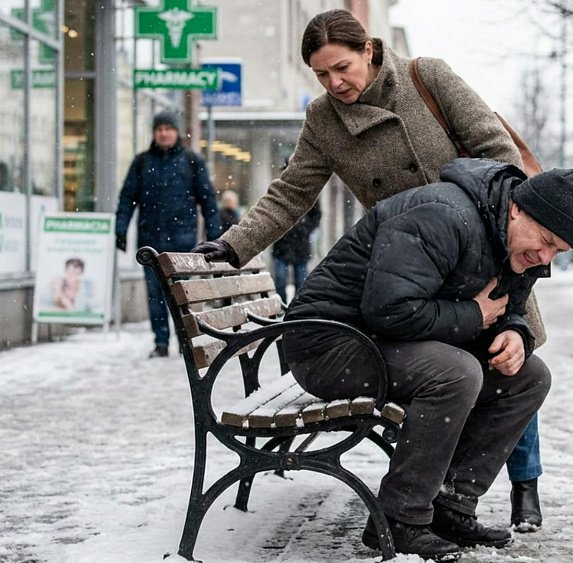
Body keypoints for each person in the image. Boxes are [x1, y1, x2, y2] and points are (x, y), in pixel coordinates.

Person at [192, 9, 547, 529]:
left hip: (480, 252)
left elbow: (498, 152)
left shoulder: (429, 78)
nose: (336, 83)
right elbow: (291, 193)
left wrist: (503, 229)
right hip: (405, 269)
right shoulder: (324, 119)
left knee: (512, 358)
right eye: (322, 75)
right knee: (460, 371)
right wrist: (233, 245)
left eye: (343, 67)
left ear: (370, 50)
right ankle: (432, 503)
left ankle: (520, 486)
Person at [282, 158, 573, 559]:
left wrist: (515, 332)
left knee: (529, 376)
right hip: (328, 345)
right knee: (456, 373)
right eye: (546, 240)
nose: (546, 257)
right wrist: (474, 316)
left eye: (558, 250)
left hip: (380, 341)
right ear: (517, 208)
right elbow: (388, 309)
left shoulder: (515, 243)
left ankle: (451, 505)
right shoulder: (444, 216)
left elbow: (505, 306)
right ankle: (398, 521)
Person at [116, 111, 222, 358]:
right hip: (150, 242)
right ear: (154, 134)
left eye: (168, 128)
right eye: (159, 129)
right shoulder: (142, 162)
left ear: (176, 132)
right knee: (155, 295)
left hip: (182, 243)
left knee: (181, 296)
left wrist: (215, 235)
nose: (163, 133)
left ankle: (186, 341)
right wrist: (120, 229)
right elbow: (127, 198)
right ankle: (161, 342)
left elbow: (208, 201)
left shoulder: (191, 161)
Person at [272, 201, 321, 303]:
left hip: (301, 246)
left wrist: (304, 227)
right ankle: (281, 307)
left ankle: (297, 307)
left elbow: (316, 215)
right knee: (280, 280)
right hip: (282, 245)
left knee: (301, 281)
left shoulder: (311, 190)